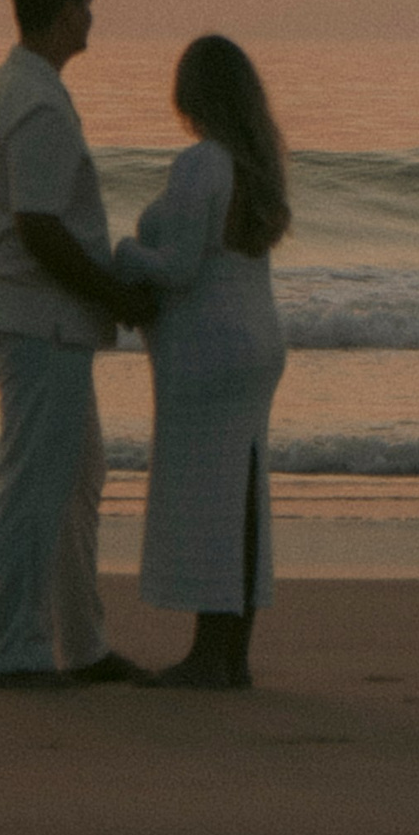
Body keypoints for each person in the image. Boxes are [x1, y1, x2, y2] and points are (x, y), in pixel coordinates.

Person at [0, 0, 155, 691]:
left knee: (76, 478)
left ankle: (81, 643)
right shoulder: (37, 100)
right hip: (38, 317)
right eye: (86, 0)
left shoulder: (13, 86)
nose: (92, 14)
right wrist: (113, 294)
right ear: (62, 9)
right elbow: (39, 225)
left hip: (33, 315)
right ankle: (16, 647)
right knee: (39, 483)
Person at [114, 35, 290, 690]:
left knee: (207, 500)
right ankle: (230, 654)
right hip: (257, 342)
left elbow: (179, 268)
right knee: (241, 495)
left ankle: (207, 657)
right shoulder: (256, 164)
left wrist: (123, 252)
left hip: (209, 351)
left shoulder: (201, 163)